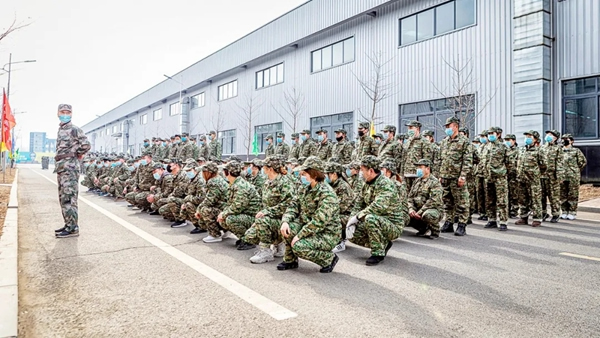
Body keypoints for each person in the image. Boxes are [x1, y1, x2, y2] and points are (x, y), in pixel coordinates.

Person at [279, 156, 341, 273]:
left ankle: (329, 259)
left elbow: (319, 221)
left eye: (304, 173)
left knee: (299, 246)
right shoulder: (304, 189)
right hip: (308, 227)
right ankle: (290, 260)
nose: (302, 175)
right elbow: (293, 206)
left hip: (327, 233)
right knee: (286, 229)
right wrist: (285, 221)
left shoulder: (327, 194)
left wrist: (300, 235)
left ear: (314, 174)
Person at [347, 156, 406, 266]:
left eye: (362, 170)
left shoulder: (386, 184)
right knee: (353, 234)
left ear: (370, 171)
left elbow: (378, 206)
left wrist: (358, 217)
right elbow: (359, 204)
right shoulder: (367, 183)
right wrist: (351, 220)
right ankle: (383, 244)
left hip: (392, 225)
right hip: (378, 221)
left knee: (370, 218)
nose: (360, 173)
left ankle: (378, 253)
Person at [243, 156, 296, 264]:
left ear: (270, 168)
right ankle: (278, 244)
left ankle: (266, 251)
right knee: (249, 235)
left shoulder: (285, 182)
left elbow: (288, 205)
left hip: (284, 221)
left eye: (264, 167)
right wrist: (258, 219)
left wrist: (266, 213)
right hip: (270, 220)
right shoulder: (267, 182)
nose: (262, 169)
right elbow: (264, 204)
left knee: (262, 221)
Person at [54, 104, 91, 238]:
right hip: (62, 168)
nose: (65, 114)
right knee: (63, 198)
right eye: (62, 111)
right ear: (57, 113)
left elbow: (86, 145)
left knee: (69, 198)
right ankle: (68, 223)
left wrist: (77, 154)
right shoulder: (61, 129)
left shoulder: (74, 129)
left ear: (71, 114)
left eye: (67, 112)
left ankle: (73, 228)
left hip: (69, 168)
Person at [438, 117, 472, 236]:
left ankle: (462, 225)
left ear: (456, 126)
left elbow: (467, 160)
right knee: (447, 202)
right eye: (446, 127)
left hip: (457, 177)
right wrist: (440, 175)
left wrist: (463, 176)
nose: (447, 129)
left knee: (462, 202)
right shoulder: (444, 142)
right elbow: (440, 160)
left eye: (449, 126)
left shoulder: (464, 141)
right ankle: (449, 222)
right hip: (445, 177)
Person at [516, 131, 546, 227]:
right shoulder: (521, 150)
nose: (527, 138)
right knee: (522, 199)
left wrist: (535, 173)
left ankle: (537, 218)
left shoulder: (539, 151)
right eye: (526, 136)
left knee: (535, 199)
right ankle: (523, 217)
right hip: (521, 178)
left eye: (529, 137)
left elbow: (544, 165)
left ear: (535, 139)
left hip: (533, 179)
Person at [407, 159, 443, 239]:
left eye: (420, 167)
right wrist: (411, 209)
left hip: (432, 209)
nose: (418, 169)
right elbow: (410, 198)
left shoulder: (434, 182)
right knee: (403, 213)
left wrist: (419, 212)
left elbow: (433, 200)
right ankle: (422, 228)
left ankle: (435, 230)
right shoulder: (417, 181)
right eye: (418, 167)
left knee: (428, 215)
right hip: (417, 209)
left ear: (428, 169)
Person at [324, 162, 355, 253]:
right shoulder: (332, 185)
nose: (326, 176)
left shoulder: (343, 187)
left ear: (334, 174)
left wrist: (326, 212)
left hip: (346, 215)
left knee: (332, 219)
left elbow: (341, 207)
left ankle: (340, 242)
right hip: (336, 212)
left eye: (328, 174)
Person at [196, 162, 230, 242]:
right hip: (225, 207)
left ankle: (215, 235)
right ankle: (225, 230)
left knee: (205, 210)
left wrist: (198, 209)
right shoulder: (218, 179)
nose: (203, 174)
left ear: (209, 173)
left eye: (204, 172)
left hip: (224, 209)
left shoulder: (213, 182)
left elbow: (209, 201)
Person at [484, 127, 509, 231]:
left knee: (502, 200)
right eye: (489, 133)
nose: (490, 135)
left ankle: (503, 221)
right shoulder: (487, 146)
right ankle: (492, 219)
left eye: (492, 133)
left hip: (500, 177)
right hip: (488, 177)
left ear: (498, 134)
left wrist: (502, 171)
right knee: (490, 200)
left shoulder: (503, 146)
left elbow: (509, 162)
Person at [560, 134, 587, 219]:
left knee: (573, 194)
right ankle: (564, 211)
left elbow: (583, 162)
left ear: (571, 141)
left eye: (566, 139)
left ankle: (572, 212)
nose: (564, 140)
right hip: (562, 176)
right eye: (563, 139)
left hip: (573, 176)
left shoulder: (576, 151)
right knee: (563, 195)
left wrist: (575, 170)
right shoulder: (560, 151)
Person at [540, 130, 564, 223]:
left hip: (553, 177)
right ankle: (543, 213)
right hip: (541, 176)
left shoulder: (558, 149)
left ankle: (556, 213)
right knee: (541, 196)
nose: (548, 136)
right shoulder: (541, 148)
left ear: (555, 138)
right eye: (547, 134)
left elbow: (560, 163)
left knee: (554, 196)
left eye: (550, 135)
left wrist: (559, 176)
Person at [403, 120, 433, 192]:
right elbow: (403, 158)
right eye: (408, 128)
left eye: (411, 128)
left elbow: (427, 160)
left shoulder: (424, 142)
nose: (409, 130)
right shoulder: (407, 142)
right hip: (406, 174)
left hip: (417, 174)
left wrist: (425, 174)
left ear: (417, 129)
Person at [180, 159, 207, 234]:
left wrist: (188, 199)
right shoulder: (191, 179)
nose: (188, 172)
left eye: (189, 170)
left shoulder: (200, 180)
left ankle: (201, 226)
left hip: (202, 205)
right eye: (187, 171)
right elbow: (187, 193)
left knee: (188, 205)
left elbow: (201, 198)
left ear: (195, 169)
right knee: (184, 207)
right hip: (195, 202)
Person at [504, 134, 520, 218]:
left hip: (514, 175)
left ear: (514, 141)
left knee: (514, 193)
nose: (507, 142)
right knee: (506, 193)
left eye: (509, 140)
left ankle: (514, 210)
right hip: (505, 174)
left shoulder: (518, 150)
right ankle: (507, 210)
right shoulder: (505, 150)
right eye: (506, 140)